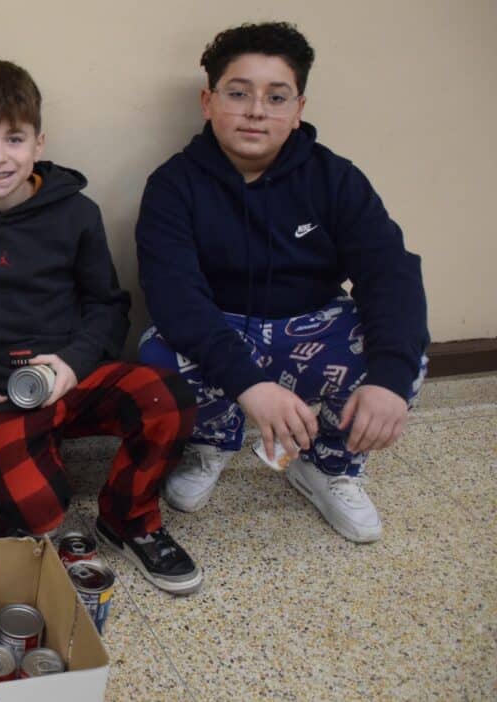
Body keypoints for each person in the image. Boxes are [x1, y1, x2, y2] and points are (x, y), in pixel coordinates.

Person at [0, 60, 201, 594]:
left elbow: (108, 306)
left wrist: (72, 363)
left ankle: (128, 519)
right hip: (2, 392)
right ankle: (36, 470)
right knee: (38, 515)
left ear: (39, 144)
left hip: (76, 374)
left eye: (14, 139)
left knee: (167, 397)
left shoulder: (77, 213)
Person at [135, 23, 428, 543]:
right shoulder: (172, 185)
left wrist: (389, 380)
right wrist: (250, 386)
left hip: (310, 324)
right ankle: (212, 444)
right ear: (208, 101)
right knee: (158, 355)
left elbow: (390, 275)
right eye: (238, 93)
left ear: (298, 110)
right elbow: (175, 297)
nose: (256, 111)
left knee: (402, 356)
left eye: (276, 97)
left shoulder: (336, 178)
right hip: (221, 326)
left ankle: (329, 466)